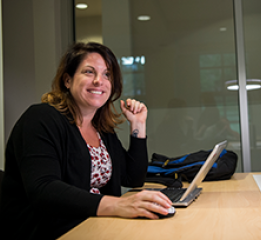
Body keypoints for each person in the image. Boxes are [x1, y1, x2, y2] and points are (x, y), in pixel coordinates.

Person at [0, 42, 172, 240]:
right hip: (48, 232)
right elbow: (43, 189)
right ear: (67, 80)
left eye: (107, 74)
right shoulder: (40, 119)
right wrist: (117, 205)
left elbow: (132, 178)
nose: (100, 81)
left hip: (94, 225)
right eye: (89, 72)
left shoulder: (101, 129)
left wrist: (138, 125)